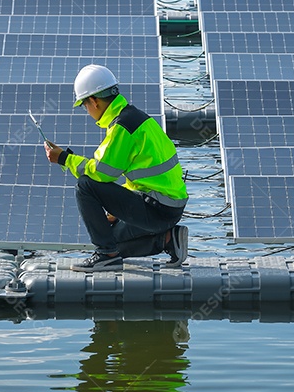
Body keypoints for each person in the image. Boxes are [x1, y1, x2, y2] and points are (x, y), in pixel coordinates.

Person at [45, 64, 189, 272]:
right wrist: (116, 214)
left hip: (158, 208)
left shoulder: (122, 127)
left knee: (85, 185)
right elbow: (143, 179)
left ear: (93, 101)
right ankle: (167, 239)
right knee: (112, 239)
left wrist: (65, 159)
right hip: (167, 207)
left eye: (84, 105)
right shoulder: (137, 118)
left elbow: (101, 173)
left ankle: (105, 256)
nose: (86, 110)